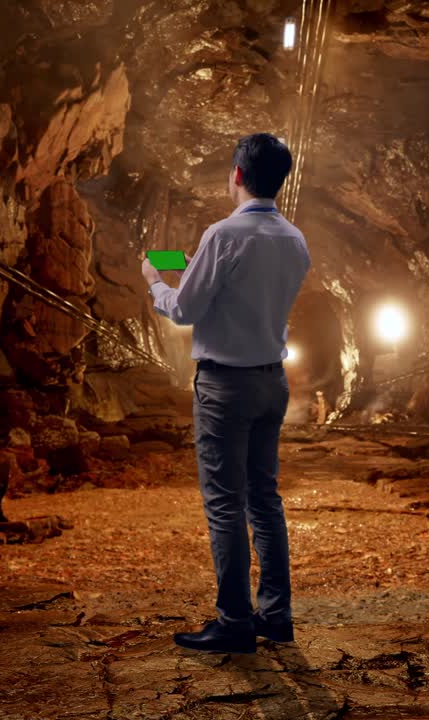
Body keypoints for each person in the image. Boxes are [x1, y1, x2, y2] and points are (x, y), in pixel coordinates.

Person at [141, 133, 310, 654]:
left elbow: (185, 310)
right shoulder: (295, 240)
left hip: (225, 386)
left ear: (237, 173)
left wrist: (155, 280)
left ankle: (234, 622)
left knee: (224, 505)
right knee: (265, 498)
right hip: (270, 382)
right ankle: (275, 617)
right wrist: (202, 269)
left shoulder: (223, 235)